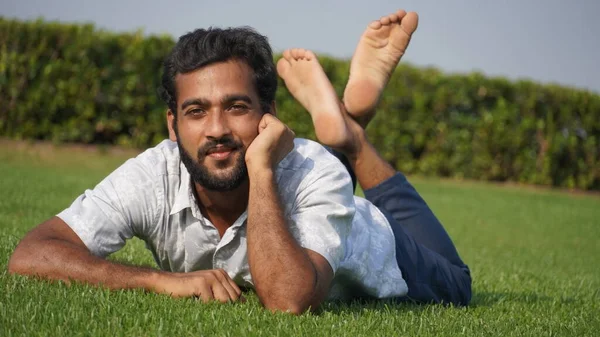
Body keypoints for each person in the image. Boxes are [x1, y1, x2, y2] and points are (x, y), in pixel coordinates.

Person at [8, 10, 471, 313]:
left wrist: (263, 171)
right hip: (310, 183)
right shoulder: (154, 173)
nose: (215, 129)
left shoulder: (311, 170)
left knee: (459, 284)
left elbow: (289, 301)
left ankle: (351, 141)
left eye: (236, 107)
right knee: (309, 169)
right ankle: (346, 130)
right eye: (196, 111)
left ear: (268, 116)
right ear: (172, 126)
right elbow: (31, 255)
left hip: (382, 243)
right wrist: (159, 281)